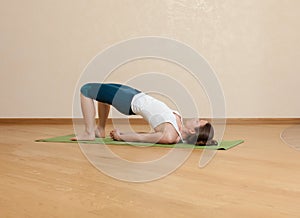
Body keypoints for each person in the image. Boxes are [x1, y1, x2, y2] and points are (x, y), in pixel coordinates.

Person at [71, 83, 216, 145]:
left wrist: (121, 137)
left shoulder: (170, 136)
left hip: (128, 100)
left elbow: (144, 137)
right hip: (135, 94)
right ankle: (100, 129)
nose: (196, 118)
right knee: (100, 94)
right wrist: (122, 133)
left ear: (192, 130)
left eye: (198, 121)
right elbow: (149, 134)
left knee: (86, 89)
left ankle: (89, 132)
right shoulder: (177, 127)